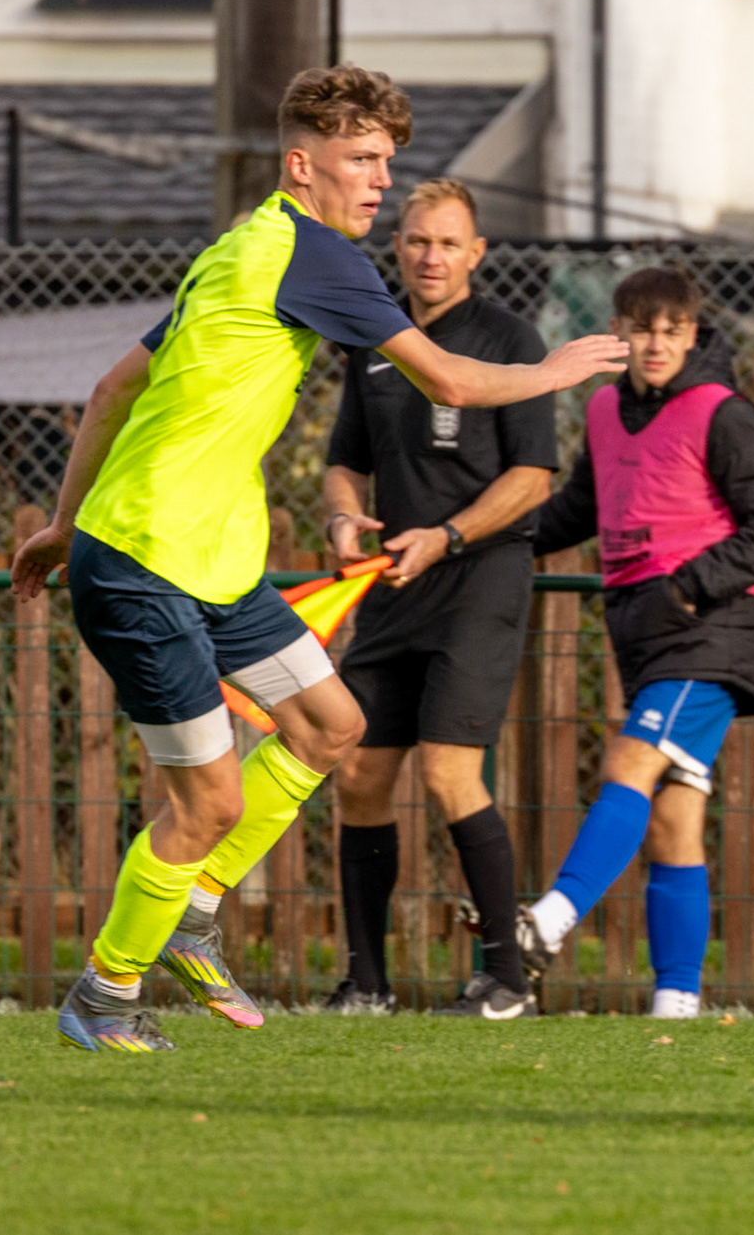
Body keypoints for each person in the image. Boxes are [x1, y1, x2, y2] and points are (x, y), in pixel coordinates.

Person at [8, 64, 627, 1053]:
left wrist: (59, 522)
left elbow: (115, 388)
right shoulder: (311, 253)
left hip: (207, 560)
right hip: (143, 558)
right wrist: (552, 370)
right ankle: (105, 994)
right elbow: (448, 381)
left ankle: (194, 913)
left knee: (332, 725)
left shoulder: (242, 248)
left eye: (388, 160)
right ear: (303, 166)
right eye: (364, 159)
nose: (382, 180)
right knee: (209, 800)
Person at [514, 266, 754, 1019]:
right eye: (641, 330)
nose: (655, 345)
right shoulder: (604, 408)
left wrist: (687, 589)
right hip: (642, 634)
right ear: (618, 332)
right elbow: (582, 506)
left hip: (711, 631)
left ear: (692, 334)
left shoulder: (723, 412)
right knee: (673, 820)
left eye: (671, 332)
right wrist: (495, 538)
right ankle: (678, 1001)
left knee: (630, 761)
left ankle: (548, 920)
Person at [320, 178, 558, 1020]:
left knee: (451, 772)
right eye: (418, 240)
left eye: (449, 243)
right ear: (397, 246)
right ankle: (366, 983)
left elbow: (534, 477)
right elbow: (344, 460)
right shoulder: (375, 338)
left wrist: (448, 536)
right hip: (392, 585)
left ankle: (507, 980)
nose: (431, 256)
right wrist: (344, 516)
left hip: (478, 579)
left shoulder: (509, 339)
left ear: (476, 253)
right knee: (358, 772)